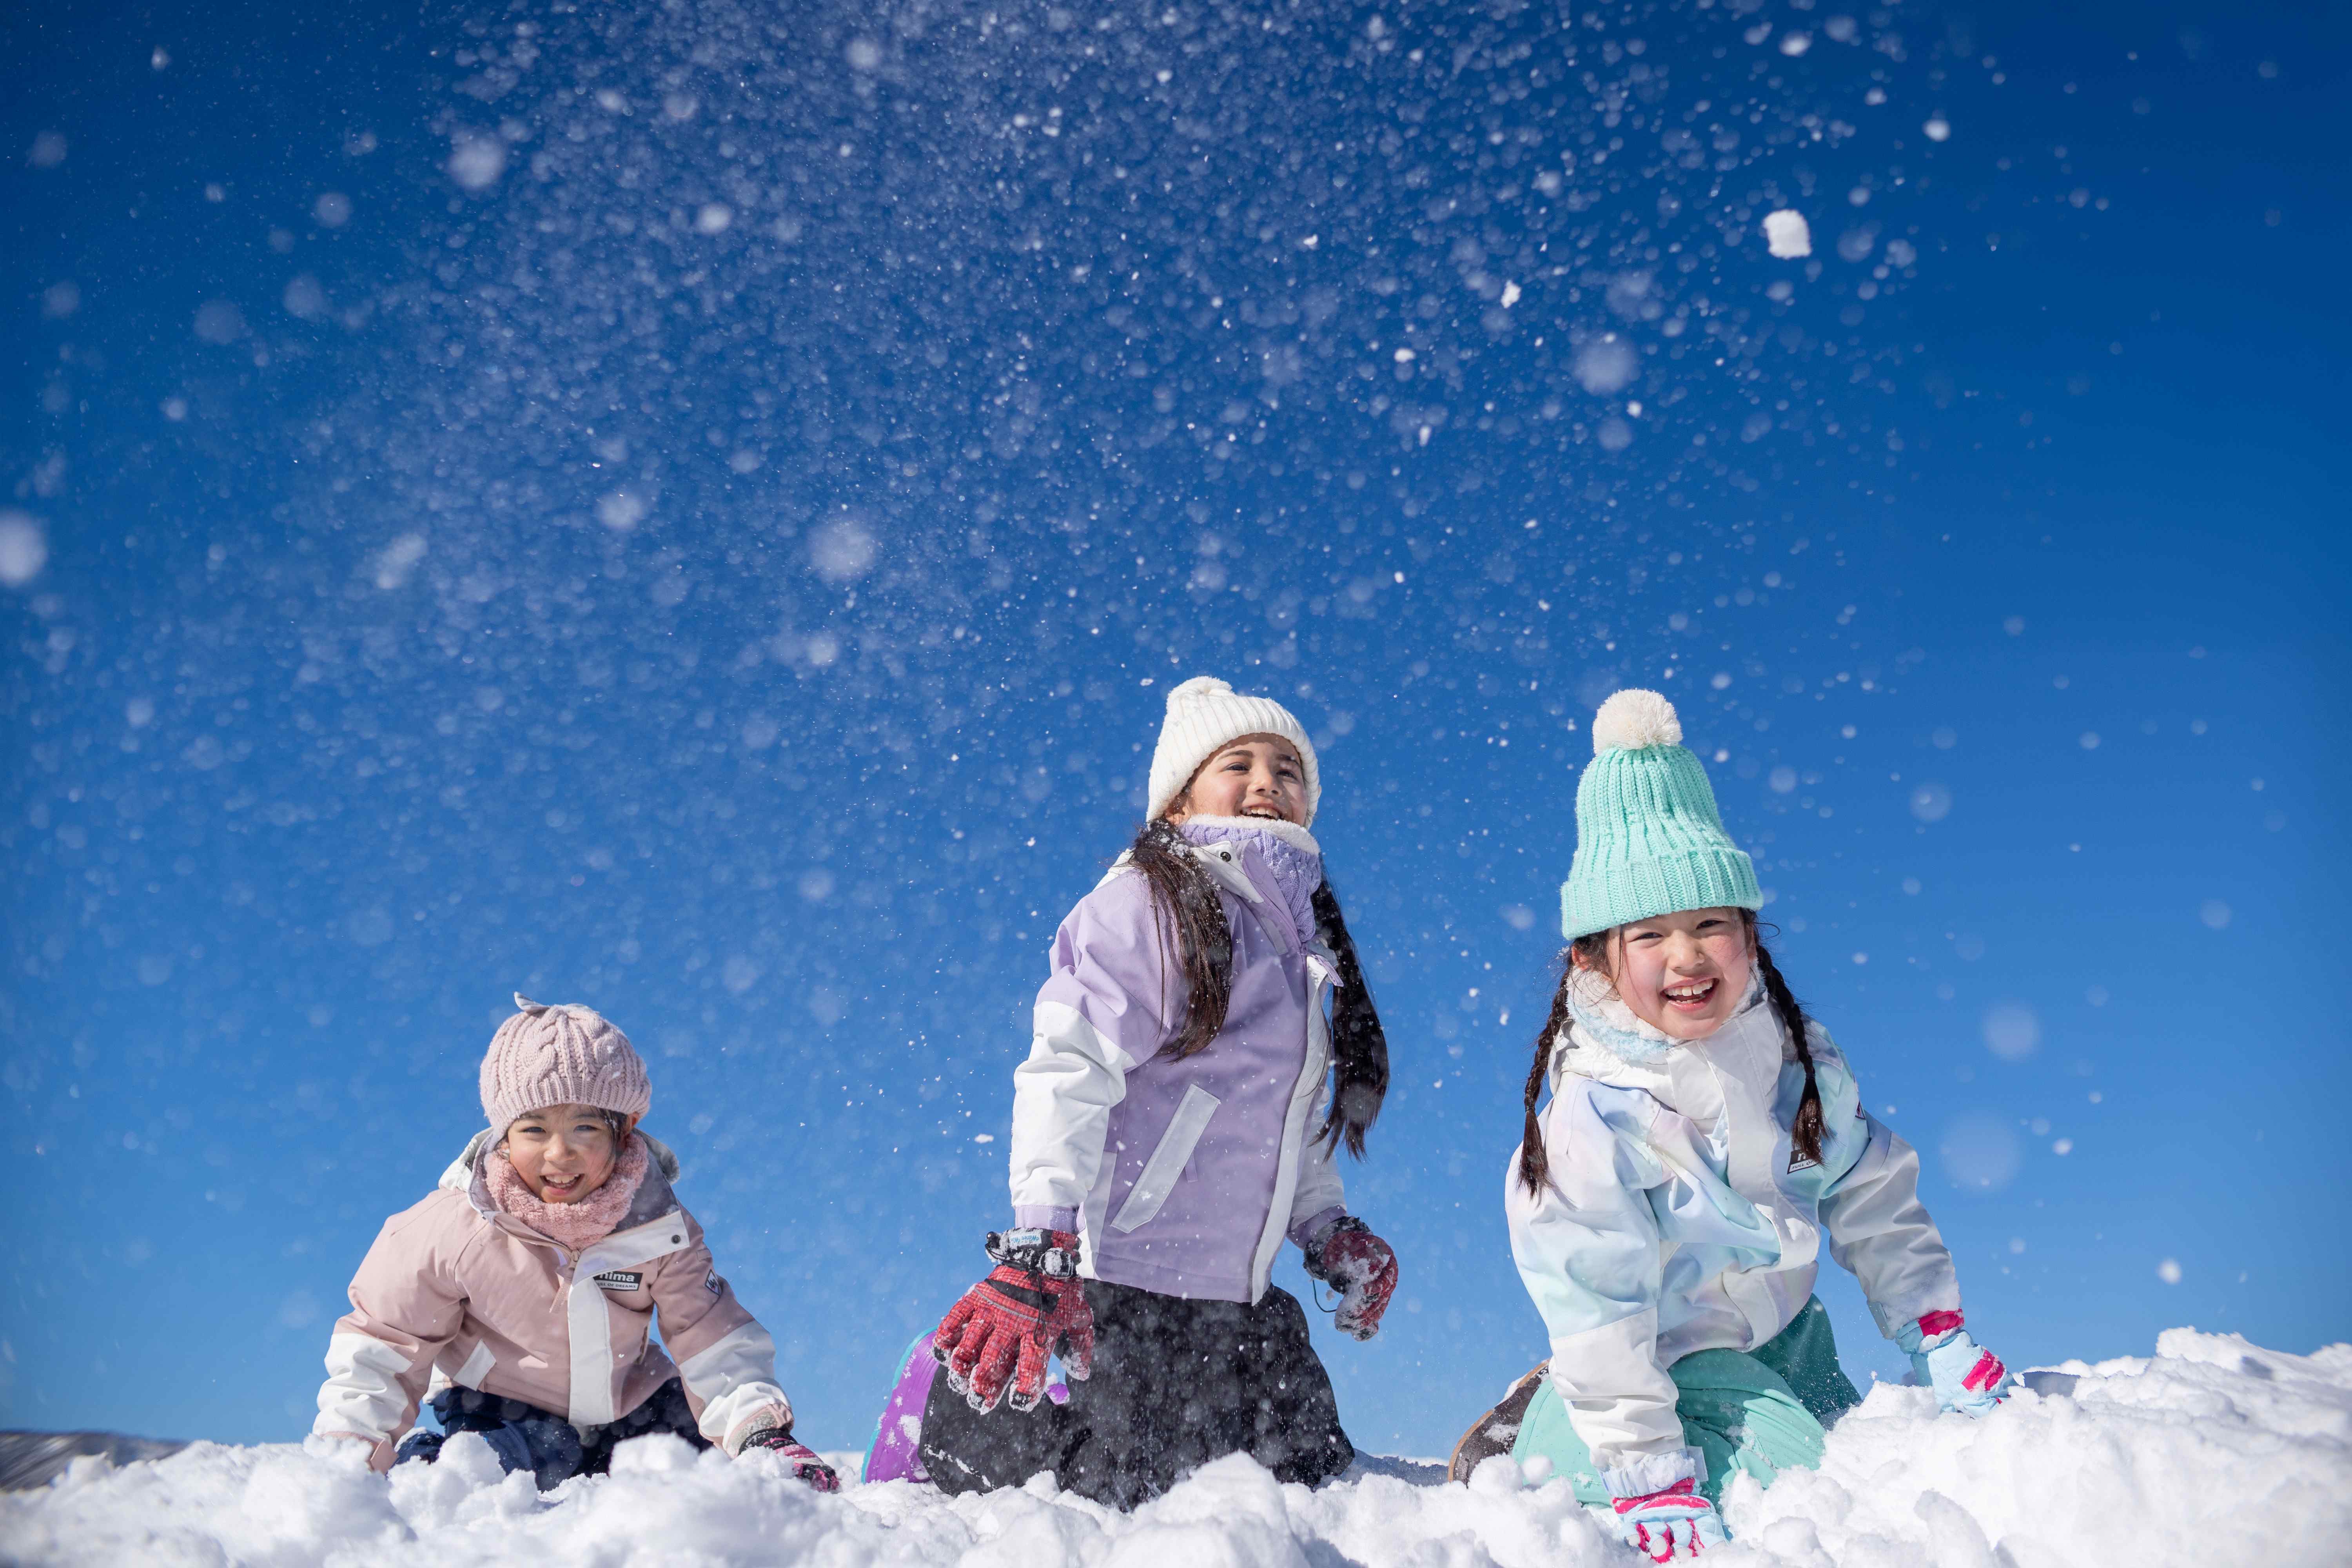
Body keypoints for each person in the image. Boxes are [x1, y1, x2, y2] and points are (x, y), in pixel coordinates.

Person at [1494, 690, 2011, 1559]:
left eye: (1710, 924)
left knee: (1858, 1445)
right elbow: (1596, 1297)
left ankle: (1590, 1414)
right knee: (1807, 1490)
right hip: (1659, 1350)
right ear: (1591, 955)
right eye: (1650, 933)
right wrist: (1651, 1468)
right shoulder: (1596, 1110)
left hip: (1785, 1333)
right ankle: (1556, 1429)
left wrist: (1936, 1328)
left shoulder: (1790, 1056)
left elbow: (1868, 1185)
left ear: (1750, 932)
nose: (1688, 955)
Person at [864, 676, 1401, 1507]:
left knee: (1290, 1488)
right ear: (1179, 803)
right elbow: (1067, 1069)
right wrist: (1041, 1238)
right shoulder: (1152, 905)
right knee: (1094, 1487)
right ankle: (937, 1390)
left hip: (1239, 1307)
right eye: (1239, 762)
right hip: (1117, 1290)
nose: (1268, 781)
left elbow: (1285, 1126)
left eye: (1288, 768)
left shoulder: (1301, 951)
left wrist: (1326, 1228)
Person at [304, 995, 838, 1493]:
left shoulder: (658, 1227)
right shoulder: (454, 1227)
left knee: (700, 1453)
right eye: (534, 1130)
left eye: (585, 1127)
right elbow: (386, 1340)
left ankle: (766, 1464)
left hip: (629, 1405)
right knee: (510, 1462)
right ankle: (431, 1468)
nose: (559, 1154)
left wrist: (759, 1436)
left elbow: (708, 1335)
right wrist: (350, 1453)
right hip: (503, 1407)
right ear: (503, 1136)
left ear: (624, 1131)